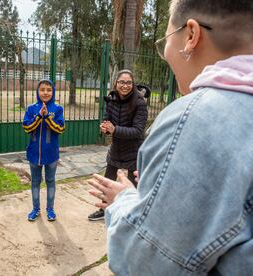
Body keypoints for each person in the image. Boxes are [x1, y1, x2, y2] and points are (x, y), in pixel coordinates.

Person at [88, 0, 253, 274]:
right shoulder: (113, 99)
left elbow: (145, 261)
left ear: (191, 35)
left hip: (129, 154)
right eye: (121, 82)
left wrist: (124, 201)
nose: (165, 54)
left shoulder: (194, 119)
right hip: (115, 153)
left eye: (165, 40)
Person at [88, 70, 148, 221]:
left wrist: (115, 130)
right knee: (108, 180)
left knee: (131, 184)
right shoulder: (112, 98)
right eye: (121, 82)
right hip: (116, 147)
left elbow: (138, 130)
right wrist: (104, 128)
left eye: (128, 82)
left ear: (133, 84)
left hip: (134, 148)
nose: (125, 86)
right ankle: (105, 209)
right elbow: (106, 118)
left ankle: (131, 214)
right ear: (116, 83)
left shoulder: (139, 102)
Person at [23, 79, 65, 221]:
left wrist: (47, 117)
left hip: (51, 153)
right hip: (34, 153)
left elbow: (60, 129)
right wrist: (39, 116)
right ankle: (35, 209)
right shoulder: (31, 108)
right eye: (42, 89)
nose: (45, 92)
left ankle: (50, 209)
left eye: (48, 89)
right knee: (35, 181)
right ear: (37, 91)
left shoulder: (58, 109)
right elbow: (27, 128)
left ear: (53, 91)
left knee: (50, 180)